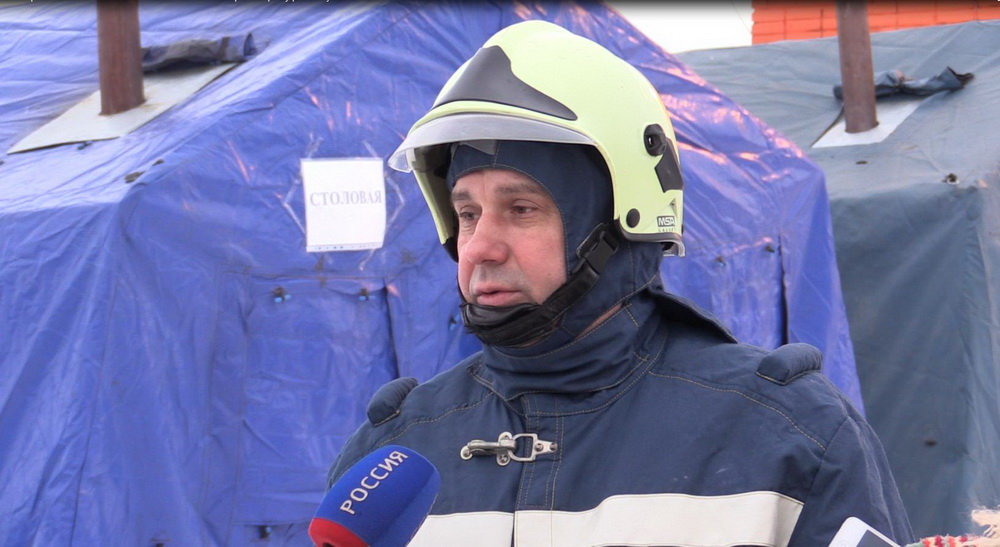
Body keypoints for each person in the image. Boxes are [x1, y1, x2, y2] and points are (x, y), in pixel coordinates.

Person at [328, 20, 912, 546]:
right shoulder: (393, 453)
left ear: (622, 219)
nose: (479, 247)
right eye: (468, 213)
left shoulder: (788, 437)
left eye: (522, 209)